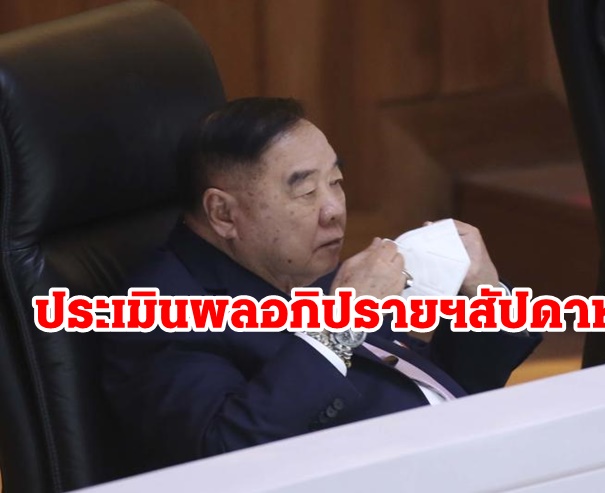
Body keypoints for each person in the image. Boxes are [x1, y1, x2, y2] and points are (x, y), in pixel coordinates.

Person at [102, 97, 541, 469]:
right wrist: (340, 326)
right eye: (306, 192)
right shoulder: (156, 312)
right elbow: (229, 453)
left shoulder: (299, 266)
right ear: (223, 213)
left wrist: (484, 294)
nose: (334, 210)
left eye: (336, 182)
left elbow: (447, 383)